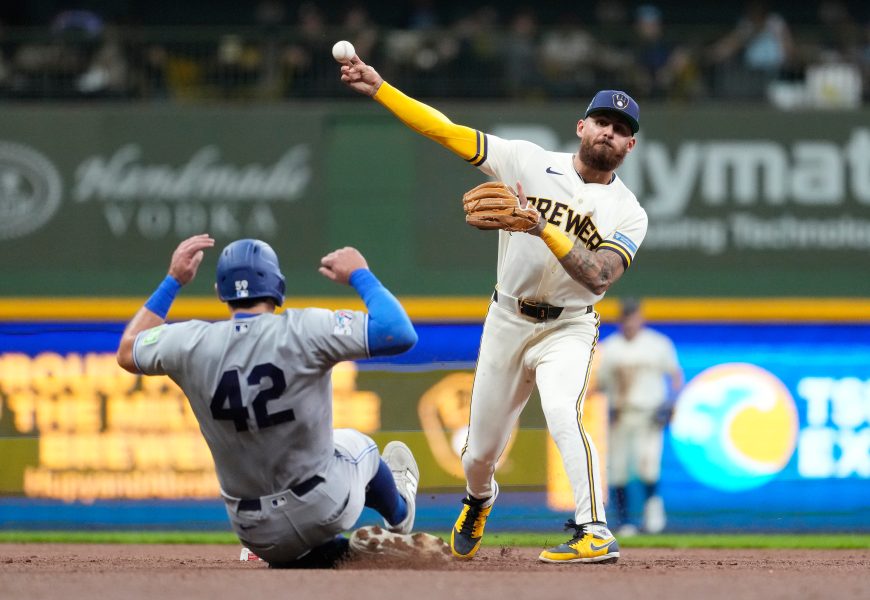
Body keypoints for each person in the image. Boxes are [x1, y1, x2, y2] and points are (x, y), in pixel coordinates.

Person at [340, 53, 647, 564]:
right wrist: (380, 89)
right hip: (507, 319)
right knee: (478, 455)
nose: (609, 133)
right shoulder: (527, 162)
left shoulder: (629, 213)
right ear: (582, 127)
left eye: (621, 130)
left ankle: (595, 530)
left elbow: (598, 276)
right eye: (602, 122)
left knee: (563, 411)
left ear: (629, 146)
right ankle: (479, 500)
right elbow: (445, 131)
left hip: (569, 327)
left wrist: (541, 226)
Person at [116, 235, 448, 567]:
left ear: (219, 292)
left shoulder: (188, 342)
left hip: (254, 531)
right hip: (323, 505)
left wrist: (173, 280)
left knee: (290, 520)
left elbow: (127, 350)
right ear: (279, 288)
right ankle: (400, 515)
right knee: (360, 445)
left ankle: (335, 552)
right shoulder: (306, 328)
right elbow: (398, 332)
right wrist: (360, 274)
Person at [597, 298, 683, 535]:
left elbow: (676, 376)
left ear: (641, 319)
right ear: (620, 320)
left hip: (649, 415)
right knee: (618, 470)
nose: (629, 323)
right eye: (626, 318)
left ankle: (653, 517)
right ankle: (624, 521)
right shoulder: (610, 348)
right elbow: (599, 384)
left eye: (633, 318)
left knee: (648, 466)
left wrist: (672, 403)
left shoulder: (657, 344)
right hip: (620, 416)